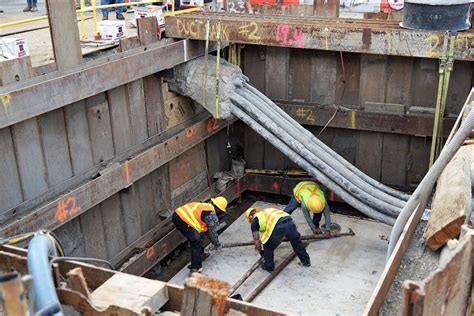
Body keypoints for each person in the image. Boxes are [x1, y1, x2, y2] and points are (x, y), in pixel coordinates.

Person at [172, 196, 228, 273]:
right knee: (196, 240)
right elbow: (212, 233)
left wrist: (215, 243)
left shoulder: (206, 207)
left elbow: (208, 231)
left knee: (199, 236)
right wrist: (217, 244)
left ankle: (201, 255)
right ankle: (195, 267)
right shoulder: (211, 216)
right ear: (218, 209)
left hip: (180, 215)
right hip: (181, 219)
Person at [245, 207, 311, 272]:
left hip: (279, 226)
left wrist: (260, 251)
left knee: (268, 246)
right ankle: (306, 261)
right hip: (290, 221)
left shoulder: (255, 221)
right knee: (296, 242)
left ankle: (269, 266)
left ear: (250, 218)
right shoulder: (267, 211)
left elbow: (256, 240)